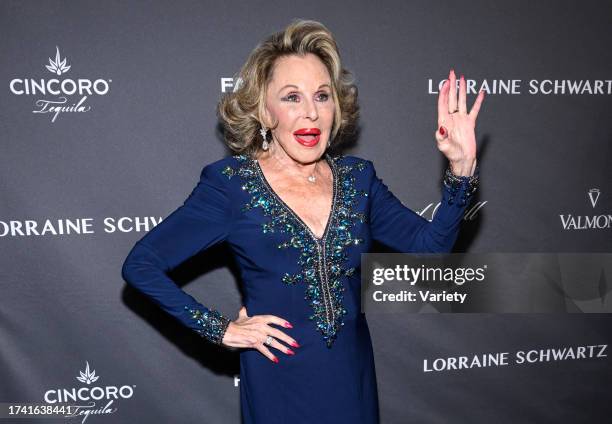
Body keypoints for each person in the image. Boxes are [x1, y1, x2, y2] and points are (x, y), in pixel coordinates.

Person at [121, 18, 483, 424]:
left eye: (322, 96)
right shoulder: (230, 186)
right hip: (280, 383)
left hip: (351, 380)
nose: (311, 113)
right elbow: (141, 264)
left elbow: (429, 248)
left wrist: (462, 167)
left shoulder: (358, 179)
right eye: (292, 97)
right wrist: (220, 329)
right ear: (263, 109)